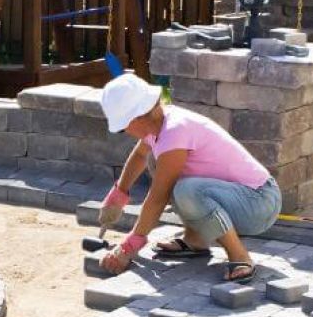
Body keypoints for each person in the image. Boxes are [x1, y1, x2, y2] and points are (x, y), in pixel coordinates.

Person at [96, 73, 281, 283]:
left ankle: (240, 256)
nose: (126, 132)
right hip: (242, 197)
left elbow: (158, 197)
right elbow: (140, 155)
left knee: (186, 190)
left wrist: (131, 245)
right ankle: (195, 241)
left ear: (137, 118)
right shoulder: (158, 123)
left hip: (259, 203)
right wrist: (119, 193)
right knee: (179, 183)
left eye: (122, 127)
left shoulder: (174, 132)